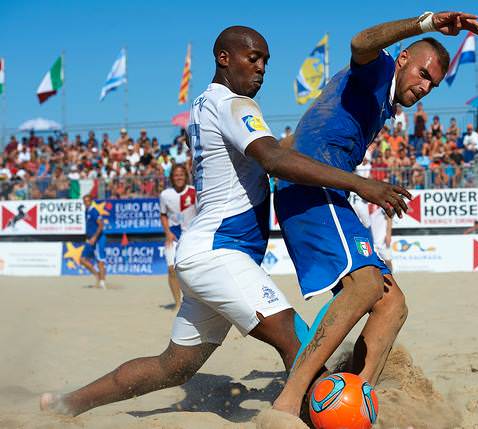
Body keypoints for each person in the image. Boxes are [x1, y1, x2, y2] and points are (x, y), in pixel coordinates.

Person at [40, 25, 404, 417]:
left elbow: (266, 154)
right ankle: (314, 419)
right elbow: (274, 160)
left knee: (173, 367)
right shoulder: (235, 105)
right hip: (220, 253)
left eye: (265, 61)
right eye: (253, 58)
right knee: (297, 342)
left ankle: (65, 403)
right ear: (224, 58)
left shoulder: (204, 104)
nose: (262, 68)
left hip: (203, 252)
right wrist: (360, 183)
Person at [272, 11, 478, 418]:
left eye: (433, 85)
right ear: (403, 58)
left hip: (328, 190)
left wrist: (278, 151)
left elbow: (305, 130)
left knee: (394, 304)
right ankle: (287, 404)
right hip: (310, 188)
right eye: (423, 74)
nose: (425, 87)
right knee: (365, 286)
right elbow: (360, 42)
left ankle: (354, 397)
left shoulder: (382, 102)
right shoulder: (379, 70)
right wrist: (426, 23)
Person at [159, 164, 196, 311]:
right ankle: (178, 302)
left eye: (181, 174)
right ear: (172, 178)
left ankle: (195, 302)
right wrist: (167, 232)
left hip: (192, 236)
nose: (179, 177)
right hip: (173, 236)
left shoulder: (195, 192)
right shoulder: (165, 195)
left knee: (193, 271)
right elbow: (163, 215)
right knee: (171, 269)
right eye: (176, 175)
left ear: (186, 176)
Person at [80, 194, 107, 289]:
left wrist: (95, 237)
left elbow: (101, 225)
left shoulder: (94, 211)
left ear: (91, 201)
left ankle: (102, 283)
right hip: (90, 238)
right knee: (82, 259)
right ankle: (97, 275)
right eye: (85, 201)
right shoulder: (86, 211)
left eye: (88, 201)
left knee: (100, 261)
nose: (86, 202)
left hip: (98, 238)